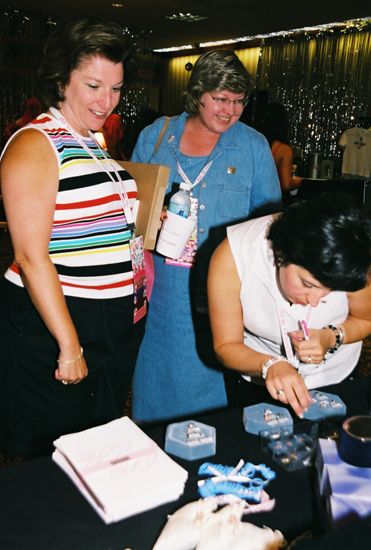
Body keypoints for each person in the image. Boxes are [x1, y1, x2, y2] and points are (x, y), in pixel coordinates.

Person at [0, 18, 147, 458]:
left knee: (93, 449)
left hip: (108, 319)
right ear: (61, 79)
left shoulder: (89, 140)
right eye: (94, 85)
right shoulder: (36, 142)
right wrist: (69, 345)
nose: (107, 101)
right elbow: (30, 256)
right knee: (49, 458)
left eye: (116, 88)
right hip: (57, 318)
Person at [130, 49, 282, 423]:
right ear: (198, 93)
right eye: (220, 99)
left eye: (239, 101)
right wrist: (153, 214)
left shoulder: (252, 146)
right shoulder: (156, 136)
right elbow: (130, 206)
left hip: (221, 292)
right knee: (154, 384)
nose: (230, 111)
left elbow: (272, 225)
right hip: (159, 289)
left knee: (210, 394)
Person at [208, 192, 371, 419]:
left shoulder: (350, 257)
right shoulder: (235, 254)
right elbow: (226, 345)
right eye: (308, 284)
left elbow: (365, 319)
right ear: (283, 253)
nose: (315, 300)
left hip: (335, 378)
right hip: (258, 379)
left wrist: (332, 337)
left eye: (330, 291)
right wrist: (269, 365)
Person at [258, 102, 302, 199]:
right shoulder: (284, 149)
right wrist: (298, 181)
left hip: (257, 197)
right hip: (275, 200)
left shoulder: (256, 143)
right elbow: (286, 184)